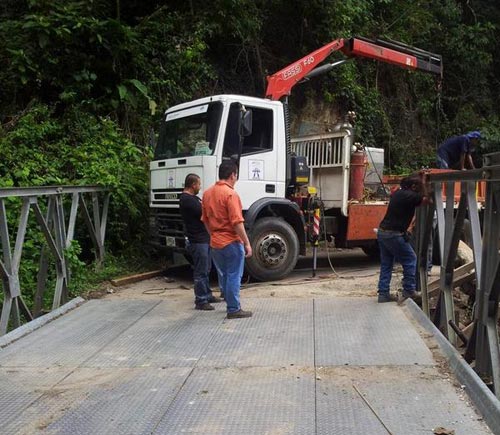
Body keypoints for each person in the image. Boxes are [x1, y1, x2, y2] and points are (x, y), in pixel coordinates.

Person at [201, 160, 253, 319]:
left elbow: (205, 220)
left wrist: (213, 236)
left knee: (224, 274)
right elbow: (237, 222)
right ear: (233, 175)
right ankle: (233, 309)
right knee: (233, 275)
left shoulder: (207, 193)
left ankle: (229, 302)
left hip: (215, 242)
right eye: (236, 175)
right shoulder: (231, 194)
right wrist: (247, 243)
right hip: (231, 241)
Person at [377, 174, 428, 303]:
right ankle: (409, 290)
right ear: (413, 186)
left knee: (386, 263)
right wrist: (424, 183)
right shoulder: (410, 195)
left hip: (383, 232)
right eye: (417, 186)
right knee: (410, 259)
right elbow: (427, 200)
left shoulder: (398, 193)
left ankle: (383, 294)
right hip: (393, 234)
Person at [180, 173, 222, 311]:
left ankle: (207, 294)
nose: (200, 186)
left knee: (207, 268)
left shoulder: (193, 198)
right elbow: (205, 213)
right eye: (198, 184)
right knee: (200, 271)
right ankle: (201, 300)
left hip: (204, 239)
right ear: (193, 185)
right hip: (197, 241)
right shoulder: (187, 200)